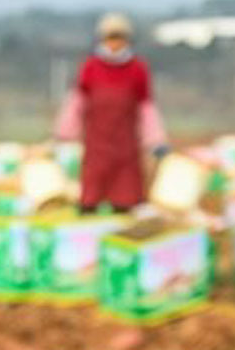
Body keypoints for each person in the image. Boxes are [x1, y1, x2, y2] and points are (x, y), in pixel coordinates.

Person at [56, 11, 169, 213]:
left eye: (119, 39)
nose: (114, 44)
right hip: (96, 144)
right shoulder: (90, 67)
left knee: (125, 197)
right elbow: (77, 103)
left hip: (126, 146)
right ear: (102, 39)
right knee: (90, 196)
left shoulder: (137, 69)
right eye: (110, 38)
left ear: (127, 41)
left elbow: (147, 109)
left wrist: (156, 140)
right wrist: (65, 133)